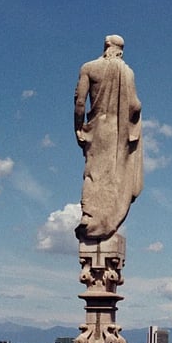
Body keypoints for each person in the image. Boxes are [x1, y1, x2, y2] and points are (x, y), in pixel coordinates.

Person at [74, 35, 143, 241]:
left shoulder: (89, 67)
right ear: (120, 50)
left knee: (93, 172)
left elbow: (79, 103)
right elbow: (135, 105)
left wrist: (78, 128)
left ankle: (89, 215)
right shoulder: (127, 72)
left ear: (106, 47)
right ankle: (106, 218)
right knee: (113, 174)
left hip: (97, 128)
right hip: (117, 130)